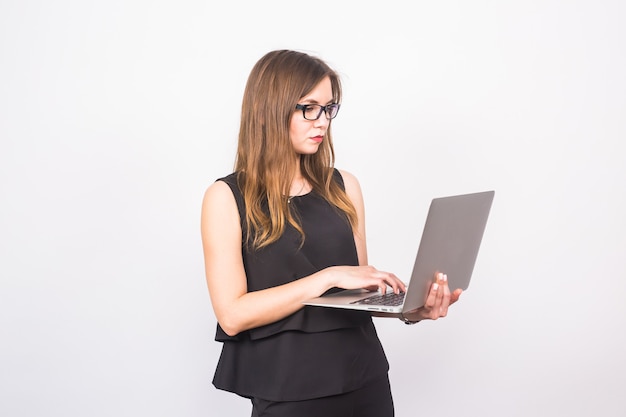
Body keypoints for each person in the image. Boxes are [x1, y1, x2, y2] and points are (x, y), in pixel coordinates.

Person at [200, 49, 462, 417]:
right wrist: (326, 277)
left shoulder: (344, 186)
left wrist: (413, 310)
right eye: (308, 108)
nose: (321, 121)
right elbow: (232, 314)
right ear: (269, 109)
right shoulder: (225, 197)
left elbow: (358, 295)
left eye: (328, 108)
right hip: (287, 390)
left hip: (364, 379)